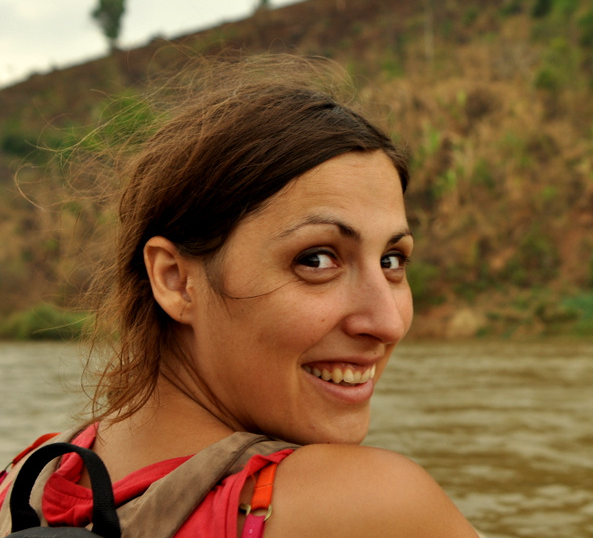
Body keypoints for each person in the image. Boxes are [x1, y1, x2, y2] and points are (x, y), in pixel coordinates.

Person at [0, 56, 481, 537]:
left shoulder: (23, 479)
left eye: (393, 261)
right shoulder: (371, 507)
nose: (387, 323)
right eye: (316, 260)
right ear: (175, 280)